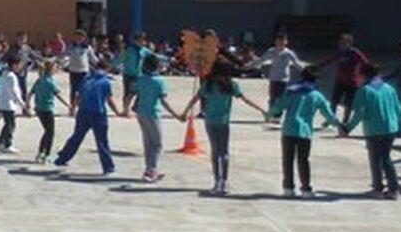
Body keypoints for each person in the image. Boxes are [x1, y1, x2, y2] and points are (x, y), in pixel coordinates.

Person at [180, 60, 266, 196]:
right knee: (224, 151)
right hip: (223, 121)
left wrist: (184, 112)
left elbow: (195, 99)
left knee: (215, 151)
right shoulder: (231, 85)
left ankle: (216, 180)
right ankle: (224, 181)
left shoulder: (208, 84)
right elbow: (245, 99)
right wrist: (261, 109)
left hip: (210, 120)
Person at [267, 67, 343, 198]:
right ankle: (306, 189)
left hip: (289, 130)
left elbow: (278, 107)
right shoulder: (316, 95)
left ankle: (288, 188)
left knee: (288, 160)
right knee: (303, 161)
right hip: (305, 132)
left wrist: (270, 113)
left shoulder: (291, 91)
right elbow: (328, 114)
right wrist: (340, 126)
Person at [340, 63, 401, 199]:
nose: (355, 78)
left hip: (374, 130)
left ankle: (378, 188)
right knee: (386, 158)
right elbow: (400, 111)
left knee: (376, 159)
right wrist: (397, 122)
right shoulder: (389, 88)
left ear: (364, 76)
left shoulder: (364, 91)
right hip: (390, 129)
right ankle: (393, 188)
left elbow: (360, 113)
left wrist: (347, 128)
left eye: (357, 75)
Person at [53, 65, 125, 174]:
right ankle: (108, 167)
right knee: (102, 141)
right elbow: (109, 100)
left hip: (83, 112)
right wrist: (118, 112)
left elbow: (78, 96)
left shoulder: (86, 80)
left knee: (77, 136)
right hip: (98, 113)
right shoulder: (105, 82)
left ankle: (62, 158)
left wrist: (73, 108)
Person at [130, 54, 184, 183]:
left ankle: (149, 168)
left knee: (148, 142)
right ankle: (152, 170)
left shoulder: (140, 79)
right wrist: (177, 115)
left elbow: (130, 94)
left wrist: (125, 109)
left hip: (141, 113)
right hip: (153, 113)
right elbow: (163, 101)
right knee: (158, 144)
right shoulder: (159, 81)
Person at [29, 60, 70, 163]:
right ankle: (46, 155)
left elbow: (30, 93)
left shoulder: (40, 80)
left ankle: (40, 153)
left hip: (38, 108)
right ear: (51, 69)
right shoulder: (50, 82)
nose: (57, 69)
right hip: (47, 109)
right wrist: (68, 105)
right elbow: (58, 95)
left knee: (47, 131)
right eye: (55, 67)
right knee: (50, 133)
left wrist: (27, 104)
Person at [252, 33, 304, 111]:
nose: (280, 43)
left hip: (284, 79)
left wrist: (305, 72)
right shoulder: (271, 51)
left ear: (286, 42)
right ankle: (271, 113)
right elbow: (261, 60)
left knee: (281, 98)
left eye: (283, 41)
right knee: (272, 97)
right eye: (279, 41)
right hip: (273, 78)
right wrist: (249, 66)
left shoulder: (288, 53)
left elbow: (297, 64)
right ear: (276, 41)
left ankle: (278, 114)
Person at [0, 55, 27, 153]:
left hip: (2, 102)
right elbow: (14, 92)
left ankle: (0, 142)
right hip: (8, 103)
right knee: (10, 125)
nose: (20, 67)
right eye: (19, 65)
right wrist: (23, 104)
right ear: (14, 65)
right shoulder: (11, 76)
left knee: (7, 124)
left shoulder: (4, 74)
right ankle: (7, 144)